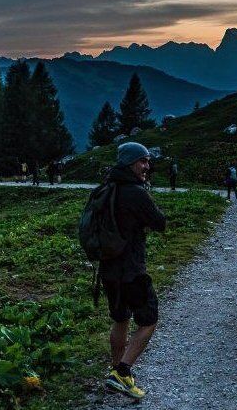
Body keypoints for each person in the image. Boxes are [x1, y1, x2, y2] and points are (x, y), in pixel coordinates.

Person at [101, 142, 167, 399]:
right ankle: (123, 371)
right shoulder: (136, 193)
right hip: (131, 270)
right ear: (130, 162)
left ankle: (115, 372)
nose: (147, 166)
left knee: (120, 319)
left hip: (108, 269)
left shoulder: (107, 188)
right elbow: (159, 222)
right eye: (143, 161)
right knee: (149, 320)